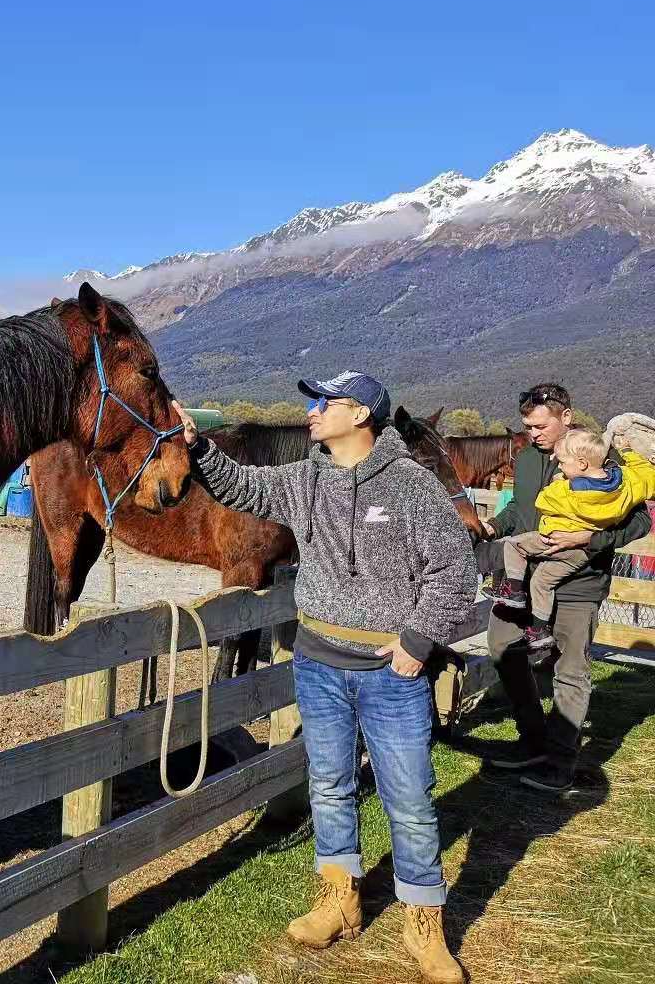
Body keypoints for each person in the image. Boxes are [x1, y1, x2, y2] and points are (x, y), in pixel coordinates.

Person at [171, 371, 476, 984]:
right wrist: (196, 445)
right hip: (318, 665)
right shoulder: (305, 479)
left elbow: (455, 571)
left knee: (410, 800)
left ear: (362, 415)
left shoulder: (412, 487)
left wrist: (417, 642)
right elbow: (241, 487)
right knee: (331, 785)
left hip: (391, 673)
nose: (311, 411)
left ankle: (424, 922)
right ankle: (339, 900)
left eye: (324, 402)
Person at [480, 384, 652, 793]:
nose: (533, 433)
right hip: (524, 580)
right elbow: (520, 509)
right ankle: (534, 739)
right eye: (527, 426)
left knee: (570, 670)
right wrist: (493, 526)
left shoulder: (602, 459)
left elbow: (641, 521)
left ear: (567, 417)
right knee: (502, 646)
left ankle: (560, 762)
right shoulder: (524, 459)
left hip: (580, 582)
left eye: (540, 426)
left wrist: (587, 541)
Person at [492, 429, 655, 652]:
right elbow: (646, 476)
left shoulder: (570, 492)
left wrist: (558, 481)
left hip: (554, 541)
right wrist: (628, 451)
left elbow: (543, 502)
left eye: (563, 463)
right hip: (581, 554)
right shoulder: (626, 484)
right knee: (542, 580)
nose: (560, 467)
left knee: (513, 545)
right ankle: (538, 631)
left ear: (581, 463)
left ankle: (514, 590)